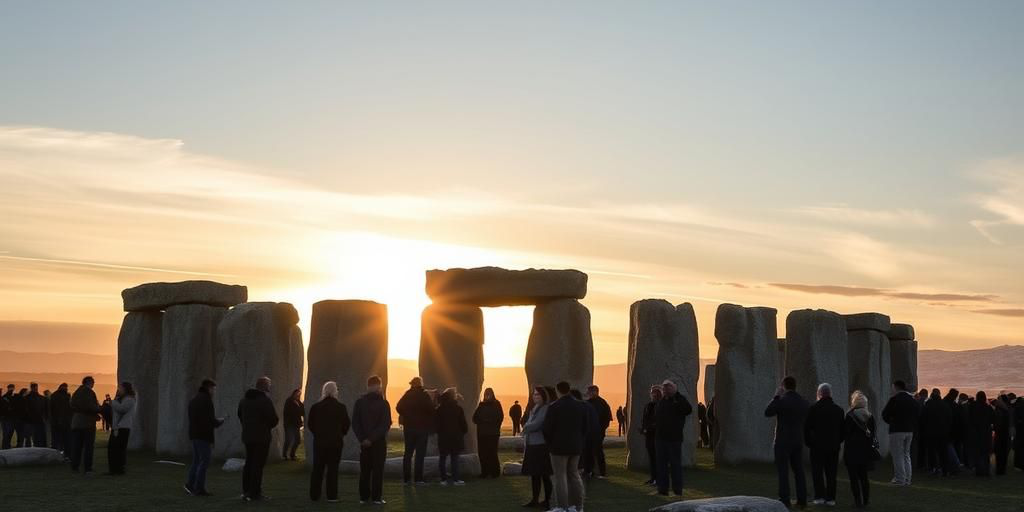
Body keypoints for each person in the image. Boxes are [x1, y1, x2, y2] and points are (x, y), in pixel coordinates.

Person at [764, 376, 809, 508]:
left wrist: (776, 396)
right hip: (797, 439)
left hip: (783, 440)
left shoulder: (782, 401)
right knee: (799, 470)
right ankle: (802, 500)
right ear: (795, 386)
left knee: (783, 471)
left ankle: (785, 499)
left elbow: (768, 412)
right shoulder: (803, 402)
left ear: (783, 386)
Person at [543, 381, 588, 512]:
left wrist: (550, 443)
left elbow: (547, 429)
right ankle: (578, 507)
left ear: (558, 391)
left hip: (558, 447)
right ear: (568, 389)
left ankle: (562, 507)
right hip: (575, 446)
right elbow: (586, 427)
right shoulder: (581, 406)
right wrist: (579, 441)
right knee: (574, 474)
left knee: (560, 476)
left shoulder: (554, 407)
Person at [308, 381, 350, 502]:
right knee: (333, 469)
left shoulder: (316, 407)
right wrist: (341, 434)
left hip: (320, 442)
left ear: (324, 391)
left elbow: (310, 424)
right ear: (335, 391)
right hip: (335, 442)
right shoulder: (341, 407)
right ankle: (332, 496)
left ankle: (314, 495)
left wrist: (317, 433)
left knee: (317, 469)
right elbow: (346, 424)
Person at [238, 376, 278, 502]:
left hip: (247, 436)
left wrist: (247, 426)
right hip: (262, 437)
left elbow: (239, 415)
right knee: (258, 465)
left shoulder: (244, 400)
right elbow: (274, 419)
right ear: (265, 386)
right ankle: (255, 493)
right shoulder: (265, 400)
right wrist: (266, 427)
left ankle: (246, 491)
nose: (270, 387)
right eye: (269, 385)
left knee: (249, 463)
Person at [352, 375, 392, 505]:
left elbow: (355, 423)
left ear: (368, 386)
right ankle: (376, 497)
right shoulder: (384, 403)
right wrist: (372, 438)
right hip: (378, 442)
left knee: (365, 471)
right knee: (377, 470)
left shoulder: (359, 402)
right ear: (378, 386)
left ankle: (363, 497)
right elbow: (385, 424)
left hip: (364, 443)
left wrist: (363, 439)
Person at [804, 383, 844, 506]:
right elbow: (843, 430)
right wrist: (838, 441)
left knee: (817, 472)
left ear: (819, 394)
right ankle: (831, 498)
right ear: (830, 394)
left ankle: (819, 497)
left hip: (817, 446)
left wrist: (809, 443)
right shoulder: (839, 410)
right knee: (831, 473)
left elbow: (806, 428)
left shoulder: (813, 408)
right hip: (833, 446)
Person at [654, 379, 693, 497]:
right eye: (665, 388)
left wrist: (677, 396)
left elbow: (688, 410)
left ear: (674, 388)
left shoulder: (679, 399)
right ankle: (663, 490)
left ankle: (677, 490)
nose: (666, 389)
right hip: (660, 438)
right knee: (661, 465)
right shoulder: (661, 401)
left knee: (675, 465)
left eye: (669, 387)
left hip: (674, 439)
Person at [186, 379, 223, 497]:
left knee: (196, 460)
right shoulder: (206, 401)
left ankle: (190, 484)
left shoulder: (194, 400)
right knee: (205, 461)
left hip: (194, 434)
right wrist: (219, 422)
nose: (214, 392)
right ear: (209, 388)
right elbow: (209, 420)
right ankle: (199, 488)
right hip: (203, 435)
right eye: (213, 389)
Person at [881, 379, 921, 486]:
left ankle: (899, 479)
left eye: (892, 387)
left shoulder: (894, 399)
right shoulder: (912, 400)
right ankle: (908, 479)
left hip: (897, 430)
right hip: (910, 430)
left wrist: (892, 421)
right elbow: (918, 413)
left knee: (897, 455)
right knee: (906, 454)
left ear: (896, 387)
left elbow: (885, 414)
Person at [396, 376, 434, 485]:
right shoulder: (424, 395)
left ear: (412, 384)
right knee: (420, 454)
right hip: (422, 428)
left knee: (408, 454)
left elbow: (398, 407)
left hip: (409, 428)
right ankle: (418, 479)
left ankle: (407, 479)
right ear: (421, 384)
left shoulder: (407, 394)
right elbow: (431, 409)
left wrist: (406, 415)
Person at [843, 391, 878, 508]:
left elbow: (845, 434)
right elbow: (873, 434)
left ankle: (857, 500)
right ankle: (866, 500)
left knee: (854, 478)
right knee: (864, 477)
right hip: (865, 451)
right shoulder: (870, 416)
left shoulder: (850, 416)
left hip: (852, 451)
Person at [520, 386, 554, 508]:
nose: (535, 396)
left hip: (541, 445)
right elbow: (530, 423)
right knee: (534, 474)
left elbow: (537, 424)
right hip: (532, 444)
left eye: (538, 394)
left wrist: (525, 428)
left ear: (544, 396)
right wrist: (527, 426)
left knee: (544, 474)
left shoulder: (545, 408)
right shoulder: (535, 408)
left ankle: (547, 501)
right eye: (534, 394)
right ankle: (534, 499)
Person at [435, 387, 468, 485]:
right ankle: (456, 479)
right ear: (454, 396)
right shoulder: (458, 409)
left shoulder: (439, 409)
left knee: (442, 458)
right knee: (454, 458)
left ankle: (443, 479)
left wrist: (439, 432)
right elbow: (463, 425)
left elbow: (436, 424)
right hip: (456, 437)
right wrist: (463, 432)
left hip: (443, 437)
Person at [68, 376, 100, 473]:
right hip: (87, 423)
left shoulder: (76, 392)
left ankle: (75, 466)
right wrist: (99, 410)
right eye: (93, 382)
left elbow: (71, 404)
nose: (94, 384)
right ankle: (87, 468)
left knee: (76, 446)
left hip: (76, 422)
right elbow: (91, 406)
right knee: (88, 447)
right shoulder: (89, 392)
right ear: (89, 382)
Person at [473, 387, 504, 478]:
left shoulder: (496, 404)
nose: (487, 396)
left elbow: (500, 418)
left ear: (492, 394)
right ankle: (485, 472)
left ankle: (495, 472)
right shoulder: (481, 405)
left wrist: (488, 422)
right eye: (486, 394)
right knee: (483, 453)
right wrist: (484, 421)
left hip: (492, 434)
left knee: (492, 453)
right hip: (483, 434)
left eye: (489, 394)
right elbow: (475, 418)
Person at [921, 388, 952, 475]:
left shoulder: (928, 405)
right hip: (943, 432)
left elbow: (923, 419)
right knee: (943, 452)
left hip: (930, 432)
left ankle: (933, 468)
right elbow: (950, 419)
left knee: (931, 451)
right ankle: (945, 470)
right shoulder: (945, 405)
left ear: (931, 395)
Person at [107, 381, 136, 475]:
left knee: (118, 449)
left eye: (121, 388)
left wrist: (113, 402)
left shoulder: (129, 399)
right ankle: (114, 469)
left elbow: (122, 409)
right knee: (113, 448)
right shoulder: (121, 399)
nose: (118, 390)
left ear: (125, 389)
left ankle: (119, 469)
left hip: (123, 427)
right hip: (118, 427)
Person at [584, 385, 612, 479]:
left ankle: (602, 472)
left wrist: (600, 430)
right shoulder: (586, 403)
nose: (588, 393)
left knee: (598, 451)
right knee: (587, 452)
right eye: (588, 392)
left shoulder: (602, 403)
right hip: (588, 433)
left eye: (590, 392)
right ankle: (588, 471)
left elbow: (606, 419)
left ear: (596, 392)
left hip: (598, 433)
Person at [968, 390, 995, 477]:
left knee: (978, 453)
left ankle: (979, 471)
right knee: (985, 453)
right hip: (986, 432)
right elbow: (993, 419)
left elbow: (970, 419)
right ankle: (986, 471)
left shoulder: (973, 407)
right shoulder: (988, 408)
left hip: (976, 432)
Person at [641, 385, 663, 486]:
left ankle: (659, 479)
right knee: (652, 458)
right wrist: (643, 429)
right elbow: (645, 419)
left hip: (658, 436)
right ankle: (653, 478)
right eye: (652, 393)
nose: (654, 394)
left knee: (658, 459)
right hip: (649, 436)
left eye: (656, 393)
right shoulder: (648, 406)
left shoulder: (662, 405)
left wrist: (649, 427)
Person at [49, 383, 72, 454]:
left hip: (57, 420)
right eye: (66, 387)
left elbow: (51, 409)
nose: (67, 389)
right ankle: (65, 453)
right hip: (64, 420)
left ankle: (55, 452)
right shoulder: (67, 396)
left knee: (57, 439)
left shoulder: (53, 396)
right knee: (65, 438)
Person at [993, 392, 1012, 475]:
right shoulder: (1007, 409)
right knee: (1003, 453)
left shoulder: (999, 409)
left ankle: (999, 470)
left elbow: (997, 423)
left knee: (999, 452)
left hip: (1000, 434)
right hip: (1005, 433)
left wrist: (995, 428)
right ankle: (1001, 470)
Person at [282, 388, 304, 461]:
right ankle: (285, 455)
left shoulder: (298, 402)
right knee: (288, 439)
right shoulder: (289, 401)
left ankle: (292, 454)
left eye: (300, 393)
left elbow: (302, 411)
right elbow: (287, 413)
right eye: (298, 393)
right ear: (294, 393)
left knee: (298, 440)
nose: (299, 394)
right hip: (289, 424)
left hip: (296, 424)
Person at [25, 383, 48, 447]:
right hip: (36, 420)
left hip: (33, 420)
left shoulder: (27, 398)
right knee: (37, 437)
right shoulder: (41, 398)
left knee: (31, 437)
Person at [1, 383, 16, 449]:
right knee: (7, 433)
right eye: (11, 388)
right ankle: (5, 446)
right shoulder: (6, 397)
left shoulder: (5, 397)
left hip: (8, 418)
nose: (12, 389)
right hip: (7, 418)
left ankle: (6, 446)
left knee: (8, 433)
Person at [1012, 393, 1024, 472]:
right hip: (1021, 431)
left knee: (1018, 449)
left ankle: (1018, 465)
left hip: (1019, 432)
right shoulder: (1019, 407)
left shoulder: (1016, 408)